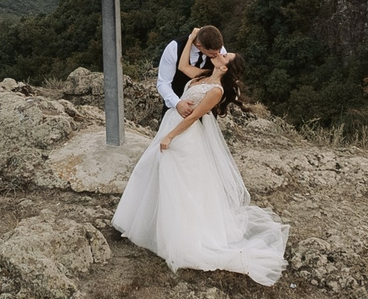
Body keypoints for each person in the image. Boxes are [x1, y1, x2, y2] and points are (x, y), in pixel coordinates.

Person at [112, 46, 288, 285]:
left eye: (226, 56)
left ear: (225, 68)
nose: (221, 54)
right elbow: (182, 66)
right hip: (171, 124)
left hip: (185, 136)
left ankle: (178, 236)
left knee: (177, 182)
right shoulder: (202, 75)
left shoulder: (215, 90)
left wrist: (170, 136)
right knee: (153, 170)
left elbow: (194, 117)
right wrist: (193, 38)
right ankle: (149, 225)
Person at [154, 25, 223, 111]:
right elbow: (163, 82)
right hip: (175, 109)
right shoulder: (174, 47)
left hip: (206, 112)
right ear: (199, 46)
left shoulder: (219, 50)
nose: (217, 55)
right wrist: (177, 103)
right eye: (212, 54)